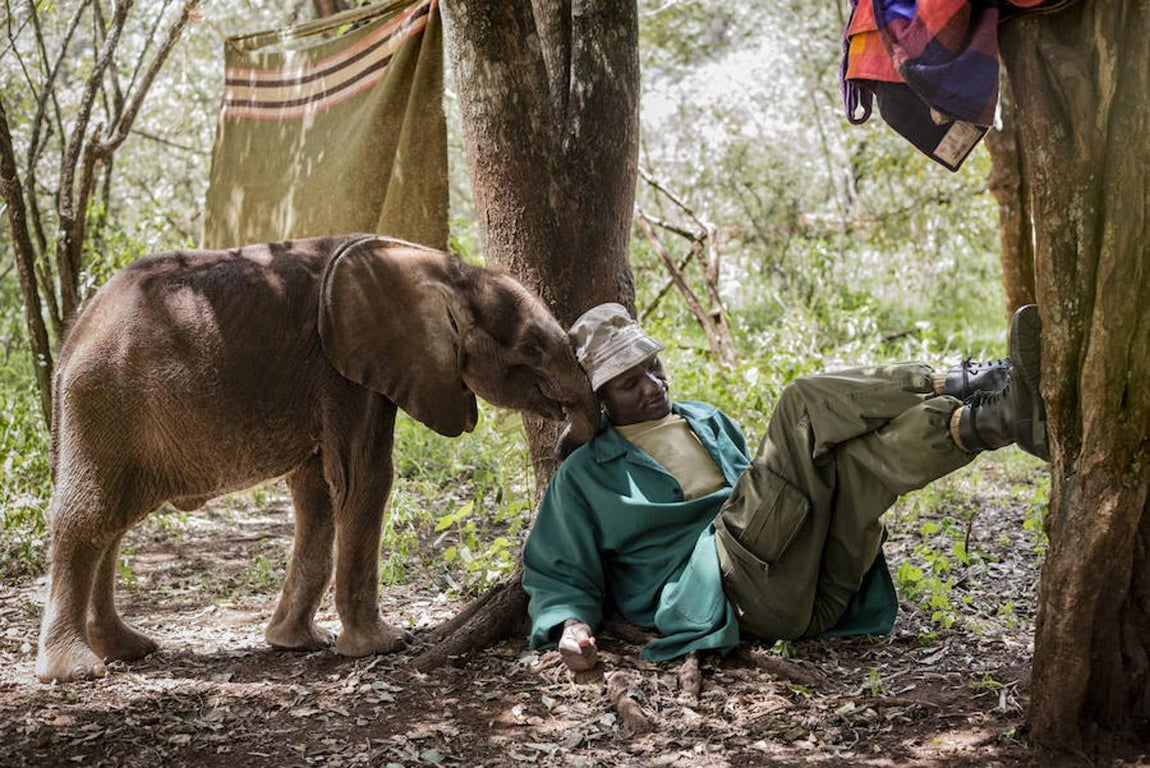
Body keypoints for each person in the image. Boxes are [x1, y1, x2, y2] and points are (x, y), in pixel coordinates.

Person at [522, 303, 1048, 672]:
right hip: (729, 592)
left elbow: (772, 497)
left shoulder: (707, 419)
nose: (652, 386)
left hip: (816, 591)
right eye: (628, 382)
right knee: (801, 403)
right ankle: (961, 381)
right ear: (601, 397)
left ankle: (998, 420)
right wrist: (570, 626)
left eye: (653, 366)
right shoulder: (586, 474)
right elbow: (558, 569)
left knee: (855, 462)